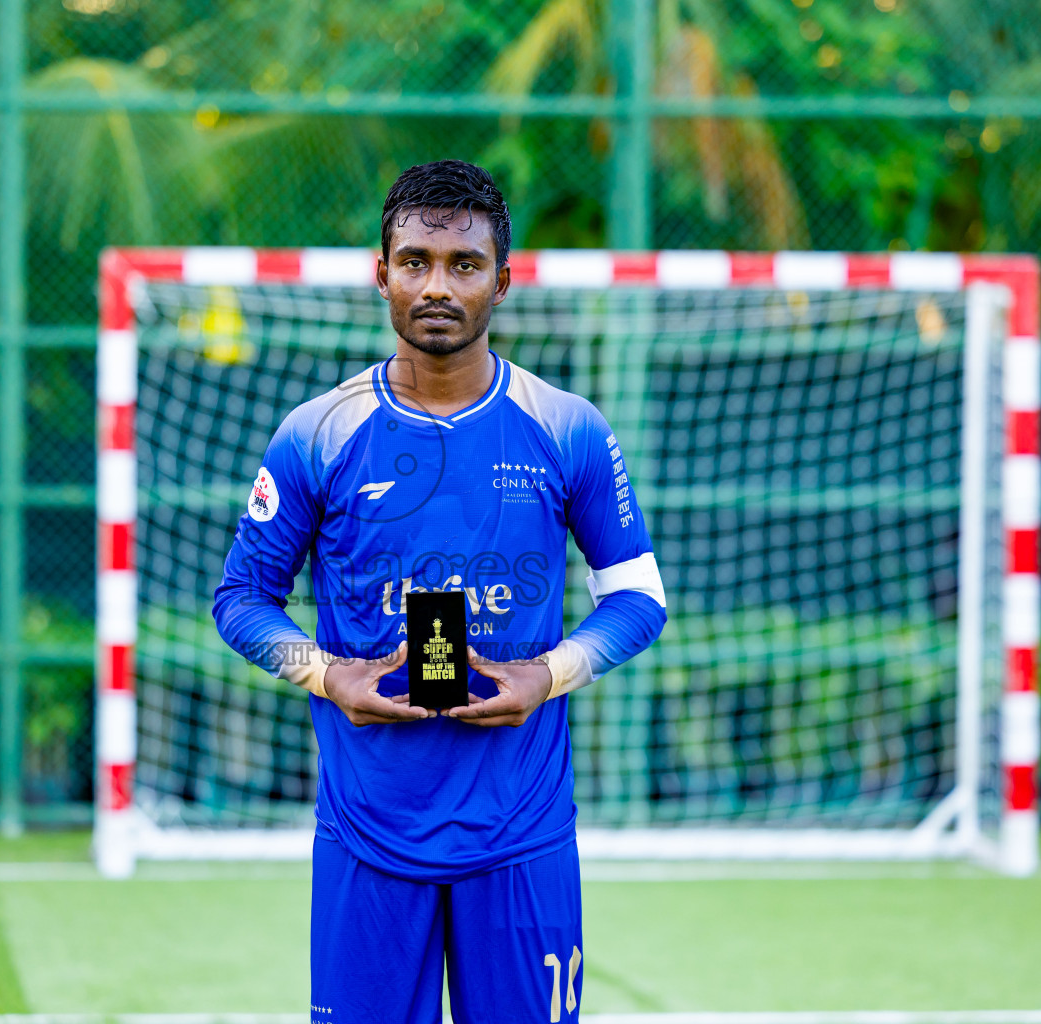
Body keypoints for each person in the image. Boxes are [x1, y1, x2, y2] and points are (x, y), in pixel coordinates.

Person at [212, 159, 668, 1024]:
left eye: (463, 265)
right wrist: (324, 672)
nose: (437, 285)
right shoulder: (317, 433)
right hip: (368, 831)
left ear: (503, 279)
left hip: (523, 832)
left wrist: (551, 673)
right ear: (381, 273)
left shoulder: (565, 425)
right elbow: (241, 598)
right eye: (415, 260)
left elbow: (640, 597)